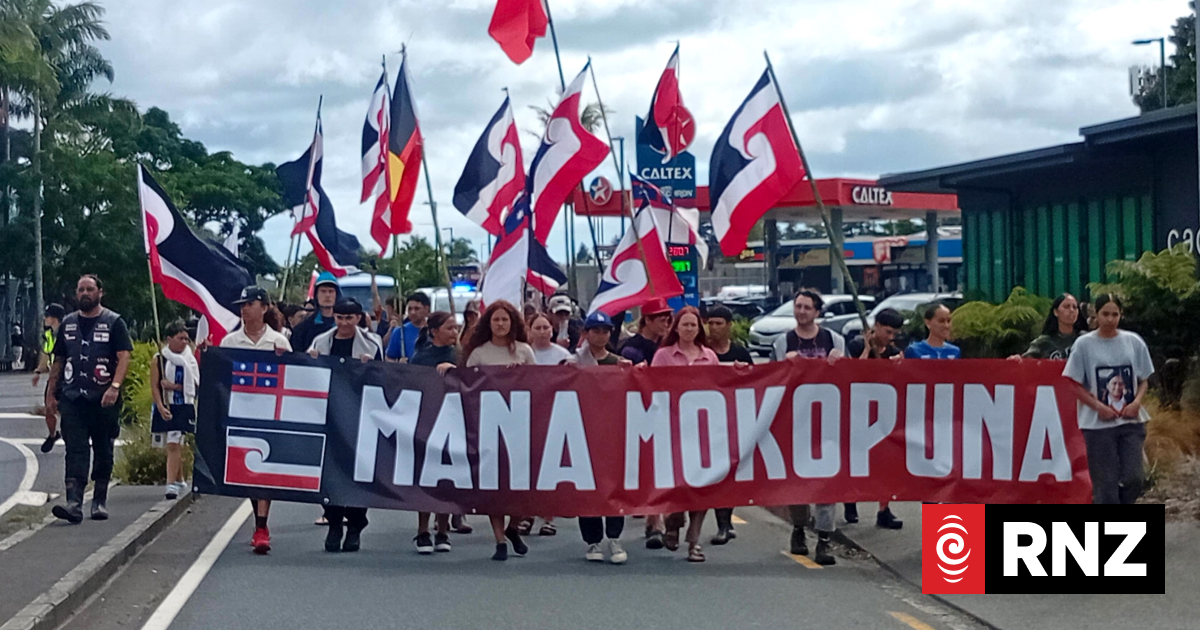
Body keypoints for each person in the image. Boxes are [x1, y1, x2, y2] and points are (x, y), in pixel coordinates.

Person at [46, 275, 133, 524]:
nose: (85, 293)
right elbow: (59, 360)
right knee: (75, 449)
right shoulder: (68, 324)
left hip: (103, 398)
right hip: (73, 397)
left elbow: (124, 356)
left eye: (90, 289)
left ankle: (99, 500)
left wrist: (114, 387)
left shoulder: (114, 322)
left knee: (103, 448)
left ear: (100, 293)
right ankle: (74, 502)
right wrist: (52, 393)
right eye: (81, 289)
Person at [220, 285, 292, 554]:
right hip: (241, 413)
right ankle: (257, 520)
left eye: (250, 304)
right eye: (242, 304)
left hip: (270, 413)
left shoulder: (279, 342)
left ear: (263, 307)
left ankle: (262, 526)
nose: (244, 309)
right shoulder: (229, 343)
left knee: (266, 470)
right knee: (248, 471)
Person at [462, 300, 536, 560]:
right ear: (488, 323)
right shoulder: (479, 353)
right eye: (496, 320)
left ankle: (514, 527)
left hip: (520, 426)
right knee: (495, 487)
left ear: (512, 322)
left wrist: (522, 373)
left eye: (505, 320)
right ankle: (500, 539)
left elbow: (541, 385)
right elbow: (466, 384)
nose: (501, 324)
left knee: (523, 488)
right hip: (488, 426)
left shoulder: (525, 351)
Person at [774, 289, 843, 566]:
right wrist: (785, 366)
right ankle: (799, 528)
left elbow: (850, 378)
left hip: (827, 420)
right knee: (797, 480)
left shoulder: (833, 340)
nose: (801, 311)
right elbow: (771, 380)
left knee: (827, 482)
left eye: (806, 307)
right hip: (795, 421)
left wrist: (839, 363)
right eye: (797, 306)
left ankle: (824, 540)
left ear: (817, 312)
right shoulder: (783, 342)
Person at [1063, 294, 1154, 505]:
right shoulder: (1084, 344)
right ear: (1097, 314)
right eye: (1105, 314)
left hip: (1130, 421)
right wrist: (1097, 406)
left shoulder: (1133, 341)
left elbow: (1144, 380)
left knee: (1134, 477)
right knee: (1105, 483)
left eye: (1115, 314)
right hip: (1098, 426)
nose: (1110, 319)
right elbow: (1072, 382)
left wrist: (1136, 402)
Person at [307, 298, 382, 552]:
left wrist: (368, 367)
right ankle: (334, 521)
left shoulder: (372, 343)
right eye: (339, 317)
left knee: (358, 474)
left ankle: (355, 526)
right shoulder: (321, 341)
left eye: (349, 318)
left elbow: (384, 378)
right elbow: (308, 375)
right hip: (329, 417)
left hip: (361, 417)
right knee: (330, 473)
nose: (344, 322)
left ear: (358, 319)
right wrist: (312, 360)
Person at [652, 306, 719, 562]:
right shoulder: (663, 356)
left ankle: (694, 539)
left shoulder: (709, 356)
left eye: (694, 325)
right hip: (672, 428)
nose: (689, 329)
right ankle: (674, 518)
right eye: (685, 325)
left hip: (703, 429)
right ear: (676, 328)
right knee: (676, 483)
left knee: (703, 484)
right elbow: (652, 388)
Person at [561, 311, 629, 563]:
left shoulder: (618, 363)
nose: (600, 336)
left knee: (613, 485)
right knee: (587, 487)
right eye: (596, 331)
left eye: (605, 331)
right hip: (582, 432)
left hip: (612, 434)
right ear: (586, 334)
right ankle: (592, 541)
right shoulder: (574, 362)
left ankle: (614, 536)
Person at [843, 308, 905, 530]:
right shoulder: (856, 345)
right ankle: (850, 500)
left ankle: (884, 509)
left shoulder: (895, 351)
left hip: (884, 413)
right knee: (854, 459)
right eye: (887, 332)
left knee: (886, 463)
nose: (890, 337)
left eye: (894, 334)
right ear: (876, 326)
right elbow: (852, 373)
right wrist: (868, 349)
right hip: (857, 410)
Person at [409, 311, 460, 553]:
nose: (454, 332)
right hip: (426, 421)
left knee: (447, 479)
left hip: (455, 421)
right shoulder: (420, 358)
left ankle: (443, 530)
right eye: (449, 328)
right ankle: (422, 531)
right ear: (434, 331)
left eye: (456, 328)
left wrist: (456, 370)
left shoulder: (460, 355)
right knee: (426, 477)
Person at [704, 305, 752, 545]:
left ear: (728, 325)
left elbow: (755, 383)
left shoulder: (740, 352)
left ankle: (725, 522)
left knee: (729, 473)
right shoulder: (701, 352)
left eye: (718, 323)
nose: (713, 328)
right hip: (706, 421)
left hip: (733, 420)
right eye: (710, 323)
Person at [150, 320, 198, 500]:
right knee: (172, 442)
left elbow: (194, 385)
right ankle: (179, 478)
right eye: (180, 338)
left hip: (183, 405)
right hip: (166, 405)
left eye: (186, 338)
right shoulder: (159, 359)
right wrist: (160, 406)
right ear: (170, 339)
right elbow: (155, 385)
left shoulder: (189, 360)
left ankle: (170, 483)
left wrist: (174, 386)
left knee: (174, 442)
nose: (185, 342)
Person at [1011, 293, 1086, 360]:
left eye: (1075, 307)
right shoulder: (1043, 342)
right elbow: (1025, 361)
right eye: (1066, 307)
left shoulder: (1086, 339)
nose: (1072, 310)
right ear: (1056, 312)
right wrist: (1016, 359)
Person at [33, 303, 66, 453]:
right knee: (49, 407)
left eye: (47, 316)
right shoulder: (48, 334)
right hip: (53, 375)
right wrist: (38, 371)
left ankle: (70, 432)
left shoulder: (65, 332)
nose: (44, 319)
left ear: (54, 318)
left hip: (66, 376)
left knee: (65, 407)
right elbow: (46, 353)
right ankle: (53, 434)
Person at [290, 272, 340, 353]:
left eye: (331, 291)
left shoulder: (345, 327)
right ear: (316, 295)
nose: (327, 295)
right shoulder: (302, 330)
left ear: (336, 294)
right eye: (323, 291)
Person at [620, 297, 673, 365]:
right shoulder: (632, 348)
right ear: (647, 320)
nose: (666, 325)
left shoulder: (668, 344)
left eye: (667, 320)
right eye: (662, 321)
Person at [386, 292, 432, 362]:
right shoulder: (400, 331)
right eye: (410, 309)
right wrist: (398, 364)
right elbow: (389, 358)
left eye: (417, 309)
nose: (413, 312)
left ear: (426, 309)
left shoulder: (436, 330)